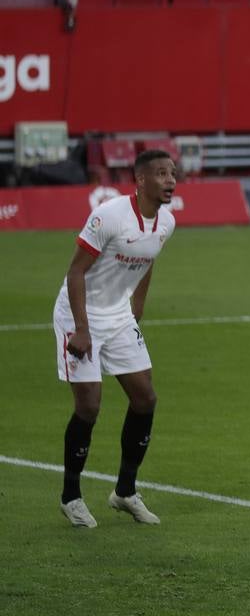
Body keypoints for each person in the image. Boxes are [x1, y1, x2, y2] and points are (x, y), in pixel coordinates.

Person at [54, 149, 178, 528]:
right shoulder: (109, 215)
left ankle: (125, 491)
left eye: (173, 173)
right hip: (79, 314)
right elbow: (76, 274)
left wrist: (135, 307)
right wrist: (82, 329)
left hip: (119, 316)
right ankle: (71, 496)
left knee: (145, 398)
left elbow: (148, 257)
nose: (170, 180)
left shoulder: (167, 222)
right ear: (140, 180)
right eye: (161, 174)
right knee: (89, 406)